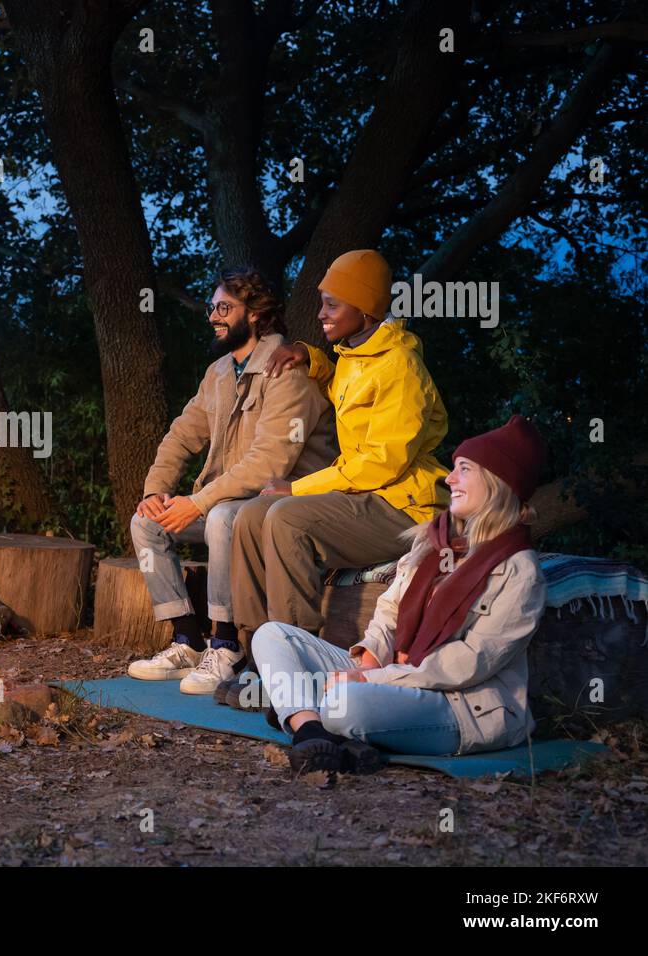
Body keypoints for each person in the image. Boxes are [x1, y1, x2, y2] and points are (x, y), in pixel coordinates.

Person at [251, 415, 547, 774]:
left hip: (459, 705)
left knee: (346, 701)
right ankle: (312, 732)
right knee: (273, 634)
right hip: (391, 675)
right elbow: (389, 613)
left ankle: (304, 710)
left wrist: (373, 679)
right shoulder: (432, 543)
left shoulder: (519, 570)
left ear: (497, 482)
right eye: (453, 469)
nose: (449, 479)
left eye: (463, 469)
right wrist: (370, 659)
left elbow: (472, 661)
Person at [228, 250, 449, 669]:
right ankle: (256, 653)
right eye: (322, 302)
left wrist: (296, 488)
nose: (322, 314)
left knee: (287, 517)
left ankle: (296, 661)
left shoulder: (401, 367)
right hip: (364, 496)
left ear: (365, 310)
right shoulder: (354, 354)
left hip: (402, 505)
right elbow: (347, 387)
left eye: (333, 304)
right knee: (250, 516)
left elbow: (383, 463)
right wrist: (312, 359)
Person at [126, 268, 336, 693]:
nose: (213, 317)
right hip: (225, 500)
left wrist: (198, 502)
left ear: (256, 313)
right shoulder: (220, 372)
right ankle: (187, 639)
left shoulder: (288, 371)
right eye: (211, 307)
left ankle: (226, 645)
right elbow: (181, 435)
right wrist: (154, 491)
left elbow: (269, 464)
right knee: (146, 523)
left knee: (222, 517)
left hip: (282, 505)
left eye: (224, 307)